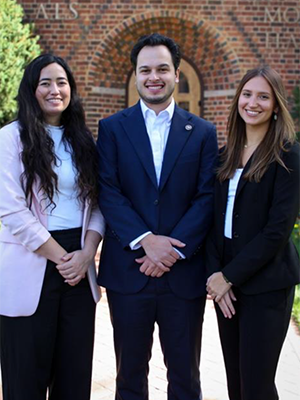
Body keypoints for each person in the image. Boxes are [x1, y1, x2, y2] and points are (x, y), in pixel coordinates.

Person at [97, 33, 218, 400]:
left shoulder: (201, 132)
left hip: (183, 275)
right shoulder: (112, 128)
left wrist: (171, 251)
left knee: (185, 378)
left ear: (176, 74)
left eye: (162, 69)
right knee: (129, 377)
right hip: (128, 271)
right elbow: (108, 190)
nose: (154, 76)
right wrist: (147, 241)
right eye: (145, 69)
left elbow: (206, 196)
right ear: (135, 76)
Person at [0, 54, 105, 400]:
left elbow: (98, 204)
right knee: (25, 380)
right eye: (45, 82)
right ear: (31, 89)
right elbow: (11, 210)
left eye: (62, 82)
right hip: (33, 263)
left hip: (79, 266)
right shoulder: (10, 138)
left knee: (74, 380)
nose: (54, 89)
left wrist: (87, 253)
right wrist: (63, 258)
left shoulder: (83, 141)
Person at [206, 66, 300, 400]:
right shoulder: (225, 155)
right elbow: (213, 222)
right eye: (247, 94)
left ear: (276, 106)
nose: (253, 102)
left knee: (256, 386)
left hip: (266, 282)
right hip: (227, 284)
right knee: (237, 384)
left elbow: (277, 230)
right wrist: (216, 275)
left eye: (263, 96)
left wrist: (228, 276)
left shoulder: (288, 156)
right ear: (237, 101)